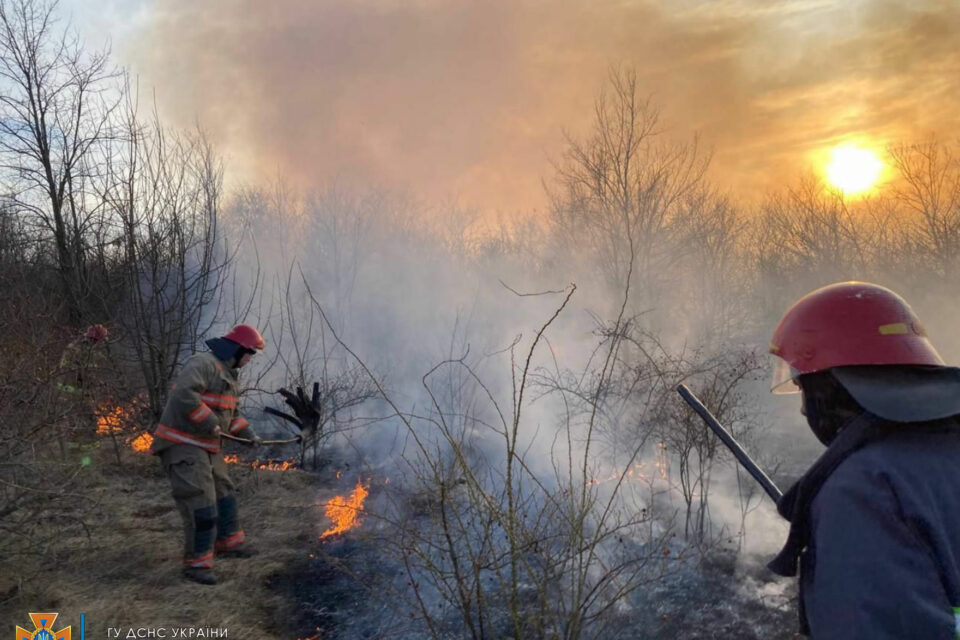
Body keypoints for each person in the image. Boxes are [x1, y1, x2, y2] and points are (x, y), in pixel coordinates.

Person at [767, 281, 960, 638]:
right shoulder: (945, 457)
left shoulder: (862, 491)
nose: (802, 408)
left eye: (805, 389)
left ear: (832, 390)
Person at [151, 324, 265, 585]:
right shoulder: (203, 363)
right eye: (250, 353)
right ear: (237, 349)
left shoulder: (229, 376)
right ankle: (197, 565)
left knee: (224, 493)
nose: (250, 359)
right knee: (200, 502)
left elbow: (231, 416)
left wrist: (248, 436)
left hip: (207, 446)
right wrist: (209, 422)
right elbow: (184, 395)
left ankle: (229, 543)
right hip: (183, 444)